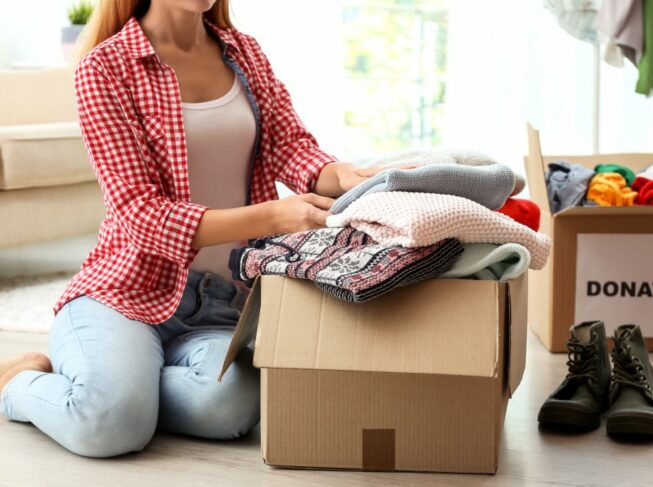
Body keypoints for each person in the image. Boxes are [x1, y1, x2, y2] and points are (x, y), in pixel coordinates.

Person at [0, 0, 388, 458]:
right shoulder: (105, 67)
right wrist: (273, 216)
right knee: (106, 428)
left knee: (229, 408)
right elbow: (141, 213)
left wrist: (342, 174)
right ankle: (19, 381)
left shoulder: (243, 53)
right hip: (125, 295)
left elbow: (291, 147)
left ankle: (125, 392)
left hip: (220, 304)